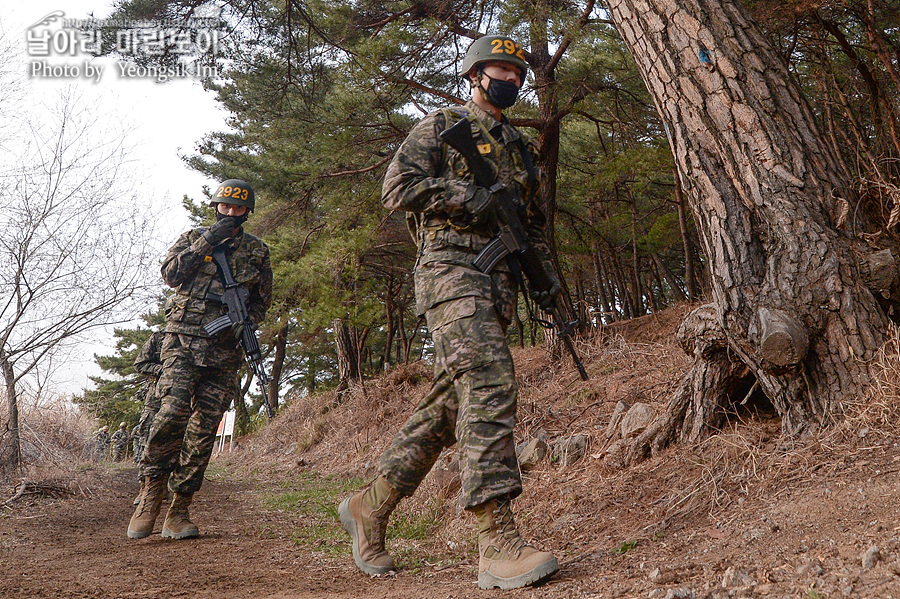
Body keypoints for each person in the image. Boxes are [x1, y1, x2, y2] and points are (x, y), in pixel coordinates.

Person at [338, 35, 560, 590]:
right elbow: (398, 188)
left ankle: (371, 505)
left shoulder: (522, 149)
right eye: (498, 69)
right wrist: (470, 198)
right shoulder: (441, 126)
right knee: (488, 382)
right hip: (450, 273)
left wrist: (546, 281)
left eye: (516, 70)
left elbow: (530, 228)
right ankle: (495, 540)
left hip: (498, 285)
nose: (509, 78)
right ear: (474, 75)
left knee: (447, 406)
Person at [128, 179, 272, 540]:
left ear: (246, 212)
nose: (230, 213)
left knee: (203, 429)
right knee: (171, 413)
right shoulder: (193, 237)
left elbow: (261, 302)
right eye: (225, 206)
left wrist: (245, 323)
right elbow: (170, 274)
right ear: (216, 207)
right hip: (182, 341)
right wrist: (207, 241)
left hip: (225, 350)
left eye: (237, 209)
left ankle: (180, 508)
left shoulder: (257, 251)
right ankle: (151, 490)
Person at [133, 330, 165, 463]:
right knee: (147, 434)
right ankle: (146, 471)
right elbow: (140, 364)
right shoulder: (159, 337)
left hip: (185, 399)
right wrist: (162, 369)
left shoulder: (199, 335)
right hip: (155, 398)